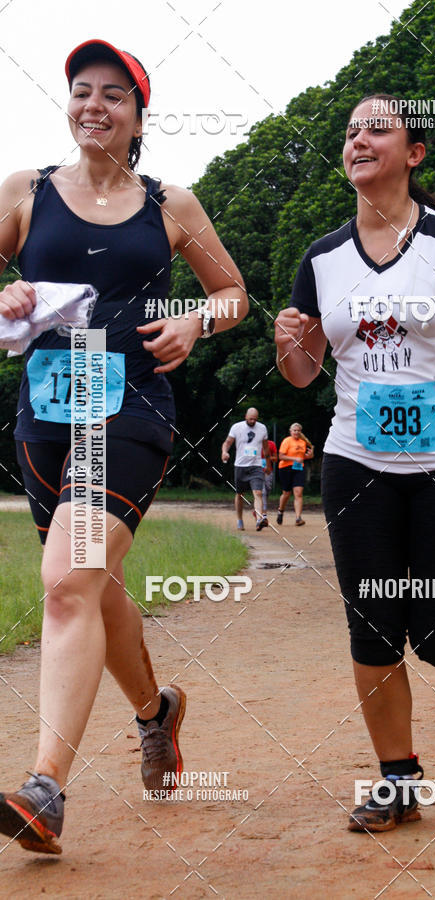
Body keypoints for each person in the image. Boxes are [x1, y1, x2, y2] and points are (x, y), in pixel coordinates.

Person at [0, 39, 247, 854]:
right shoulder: (24, 193)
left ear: (139, 116)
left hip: (132, 403)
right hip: (45, 411)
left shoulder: (169, 204)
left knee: (67, 580)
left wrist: (193, 320)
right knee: (91, 586)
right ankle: (156, 711)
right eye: (81, 92)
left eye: (113, 95)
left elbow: (233, 292)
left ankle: (44, 789)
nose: (93, 106)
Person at [275, 93, 435, 832]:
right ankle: (397, 779)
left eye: (377, 129)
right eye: (351, 131)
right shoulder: (321, 258)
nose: (359, 139)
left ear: (413, 154)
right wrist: (288, 340)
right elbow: (302, 373)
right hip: (358, 461)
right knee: (373, 626)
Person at [221, 407, 271, 531]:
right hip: (240, 465)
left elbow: (266, 448)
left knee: (258, 493)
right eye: (250, 419)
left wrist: (268, 464)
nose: (252, 421)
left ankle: (259, 519)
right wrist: (224, 452)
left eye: (255, 419)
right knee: (240, 494)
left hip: (256, 465)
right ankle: (239, 519)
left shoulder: (262, 428)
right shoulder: (237, 427)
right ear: (245, 417)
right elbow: (227, 442)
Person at [276, 423, 313, 526]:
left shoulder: (303, 442)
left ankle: (298, 518)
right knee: (286, 493)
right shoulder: (287, 441)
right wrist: (294, 459)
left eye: (298, 430)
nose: (296, 432)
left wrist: (310, 456)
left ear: (301, 432)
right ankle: (280, 510)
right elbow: (281, 456)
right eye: (294, 430)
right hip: (285, 468)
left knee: (298, 493)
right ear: (290, 431)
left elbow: (302, 457)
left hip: (299, 468)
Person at [261, 436, 278, 515]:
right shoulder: (256, 444)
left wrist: (268, 458)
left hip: (268, 470)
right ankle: (264, 512)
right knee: (262, 491)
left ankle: (259, 508)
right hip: (257, 471)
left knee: (267, 489)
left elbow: (275, 458)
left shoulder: (271, 444)